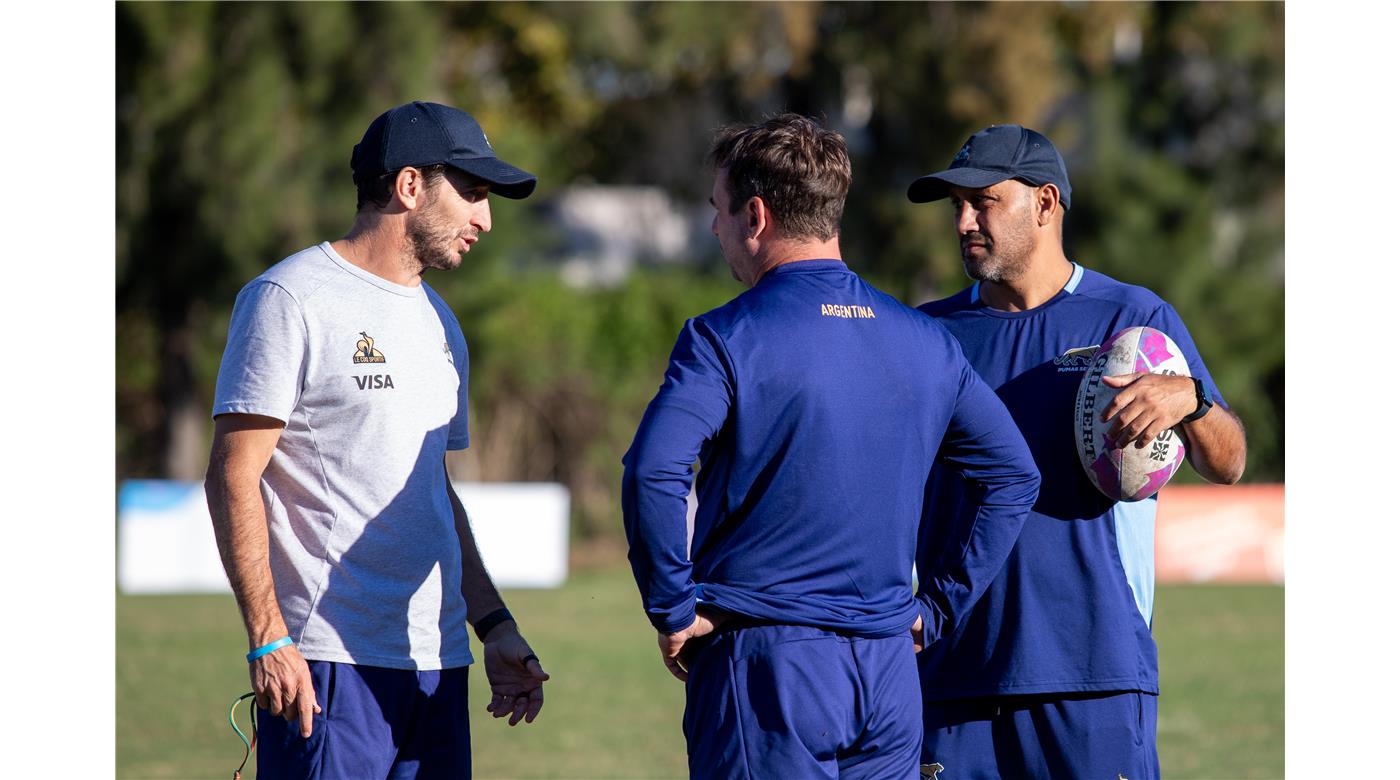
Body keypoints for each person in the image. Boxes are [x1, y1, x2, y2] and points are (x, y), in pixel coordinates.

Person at [621, 113, 1042, 779]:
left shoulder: (723, 336)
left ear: (754, 215)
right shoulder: (926, 341)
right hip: (890, 678)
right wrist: (934, 610)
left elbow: (653, 471)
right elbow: (1015, 476)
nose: (714, 229)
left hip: (767, 669)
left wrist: (671, 607)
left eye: (718, 210)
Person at [206, 101, 551, 779]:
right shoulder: (290, 298)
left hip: (439, 664)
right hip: (330, 666)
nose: (485, 217)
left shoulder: (442, 323)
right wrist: (268, 637)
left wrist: (494, 625)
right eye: (474, 193)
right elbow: (232, 475)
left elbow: (433, 492)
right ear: (410, 185)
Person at [906, 124, 1248, 779]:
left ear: (1045, 204)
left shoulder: (1134, 321)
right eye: (957, 206)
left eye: (985, 201)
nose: (964, 222)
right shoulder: (927, 336)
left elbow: (1228, 463)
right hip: (954, 683)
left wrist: (1192, 400)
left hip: (1094, 679)